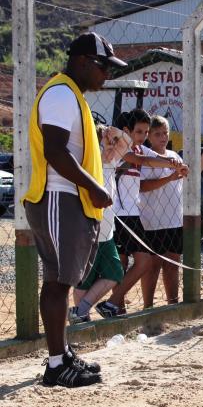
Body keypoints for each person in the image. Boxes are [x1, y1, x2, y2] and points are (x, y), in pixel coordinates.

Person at [22, 32, 126, 387]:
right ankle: (55, 366)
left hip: (67, 198)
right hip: (58, 196)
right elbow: (55, 150)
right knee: (57, 282)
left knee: (61, 281)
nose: (106, 75)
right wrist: (93, 186)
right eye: (103, 67)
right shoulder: (62, 94)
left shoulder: (71, 95)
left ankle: (61, 354)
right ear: (82, 61)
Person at [95, 109, 186, 317]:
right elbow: (145, 161)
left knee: (137, 262)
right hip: (120, 214)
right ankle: (113, 305)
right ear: (126, 131)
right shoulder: (119, 148)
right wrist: (170, 165)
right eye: (140, 132)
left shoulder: (137, 150)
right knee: (131, 263)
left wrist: (176, 164)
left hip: (131, 214)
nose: (143, 137)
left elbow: (153, 158)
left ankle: (113, 305)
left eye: (146, 132)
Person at [69, 125, 125, 324]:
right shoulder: (88, 164)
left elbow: (126, 143)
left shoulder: (111, 162)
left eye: (111, 144)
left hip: (107, 231)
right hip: (90, 230)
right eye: (104, 144)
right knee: (85, 278)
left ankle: (80, 311)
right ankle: (81, 317)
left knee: (115, 272)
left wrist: (114, 133)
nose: (110, 148)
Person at [139, 115, 188, 307]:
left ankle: (173, 304)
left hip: (174, 220)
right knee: (153, 266)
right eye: (157, 134)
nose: (162, 137)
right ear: (149, 136)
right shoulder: (146, 158)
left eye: (165, 133)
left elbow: (179, 182)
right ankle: (148, 306)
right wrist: (169, 178)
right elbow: (142, 186)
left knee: (173, 263)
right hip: (152, 221)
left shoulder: (174, 156)